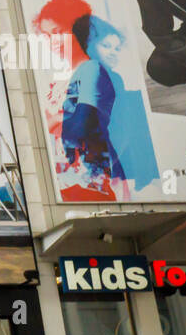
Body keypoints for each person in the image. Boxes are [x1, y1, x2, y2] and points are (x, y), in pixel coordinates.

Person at [61, 13, 159, 197]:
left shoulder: (88, 72)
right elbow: (85, 117)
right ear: (87, 45)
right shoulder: (93, 70)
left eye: (116, 47)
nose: (113, 52)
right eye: (106, 46)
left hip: (98, 157)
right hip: (97, 158)